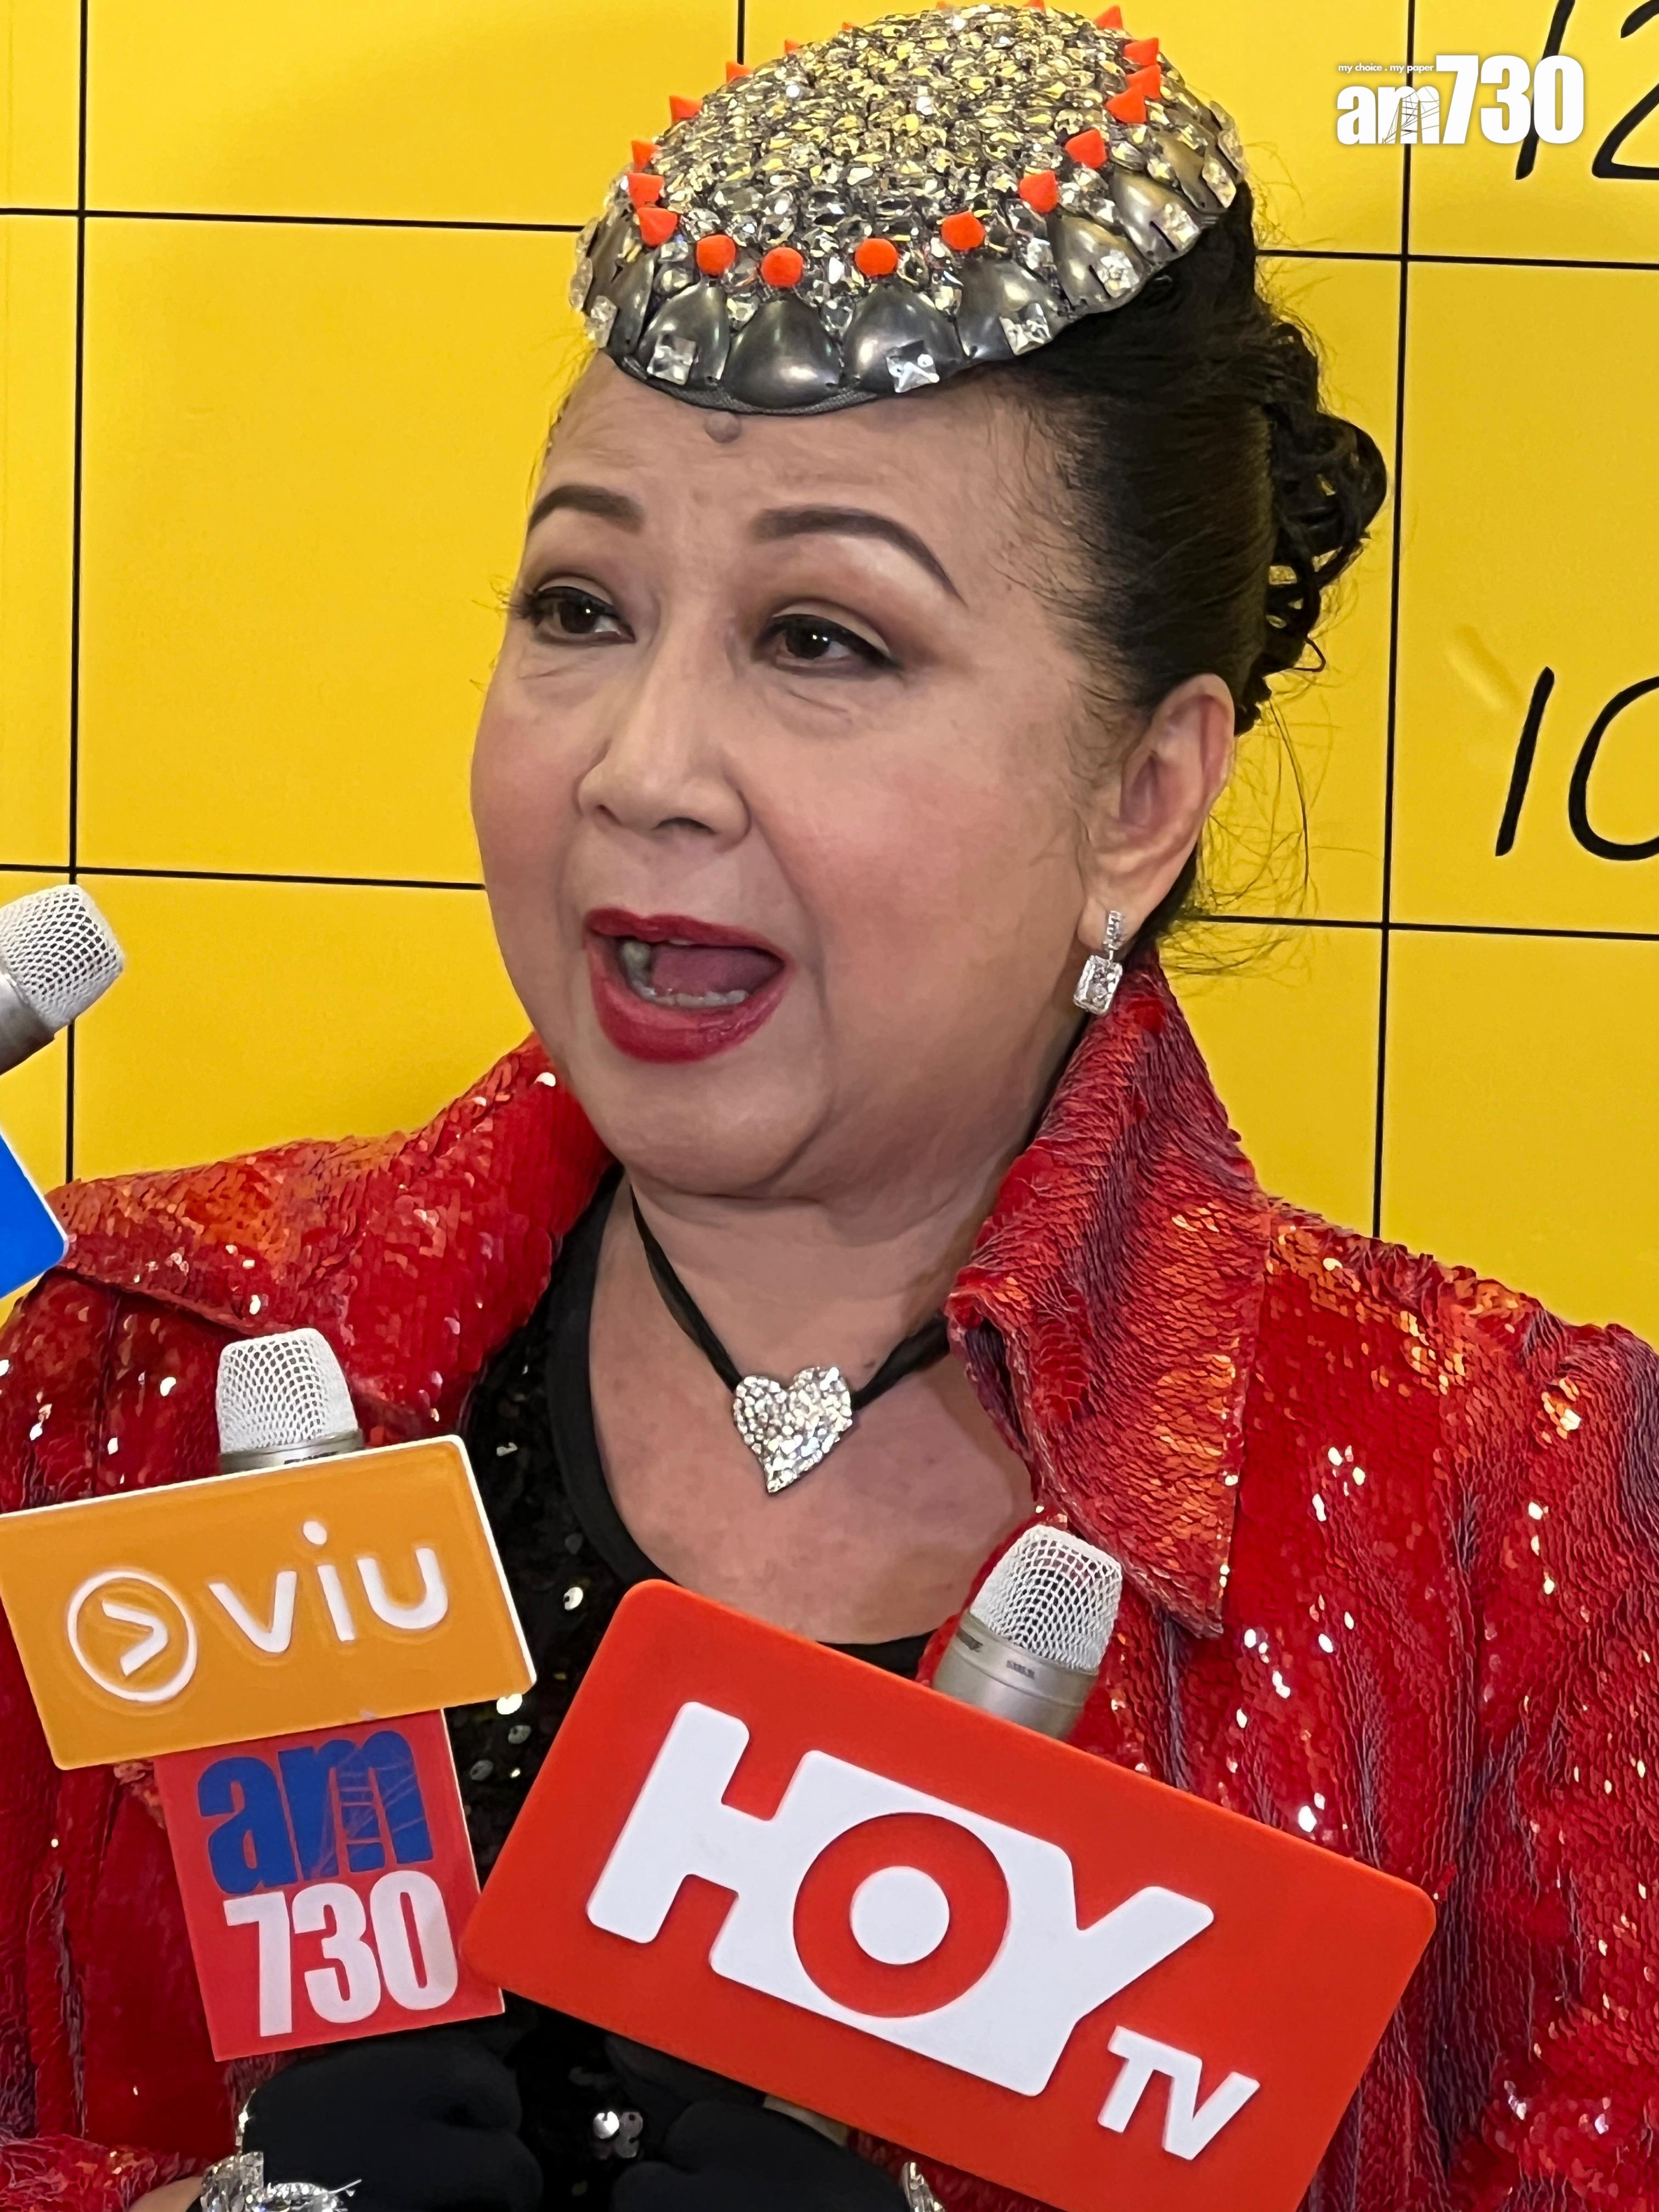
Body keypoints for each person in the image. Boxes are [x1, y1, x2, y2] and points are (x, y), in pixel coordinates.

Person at [1, 8, 1655, 2209]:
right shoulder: (122, 1360)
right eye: (579, 607)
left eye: (824, 642)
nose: (641, 766)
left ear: (1141, 794)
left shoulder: (1525, 1531)